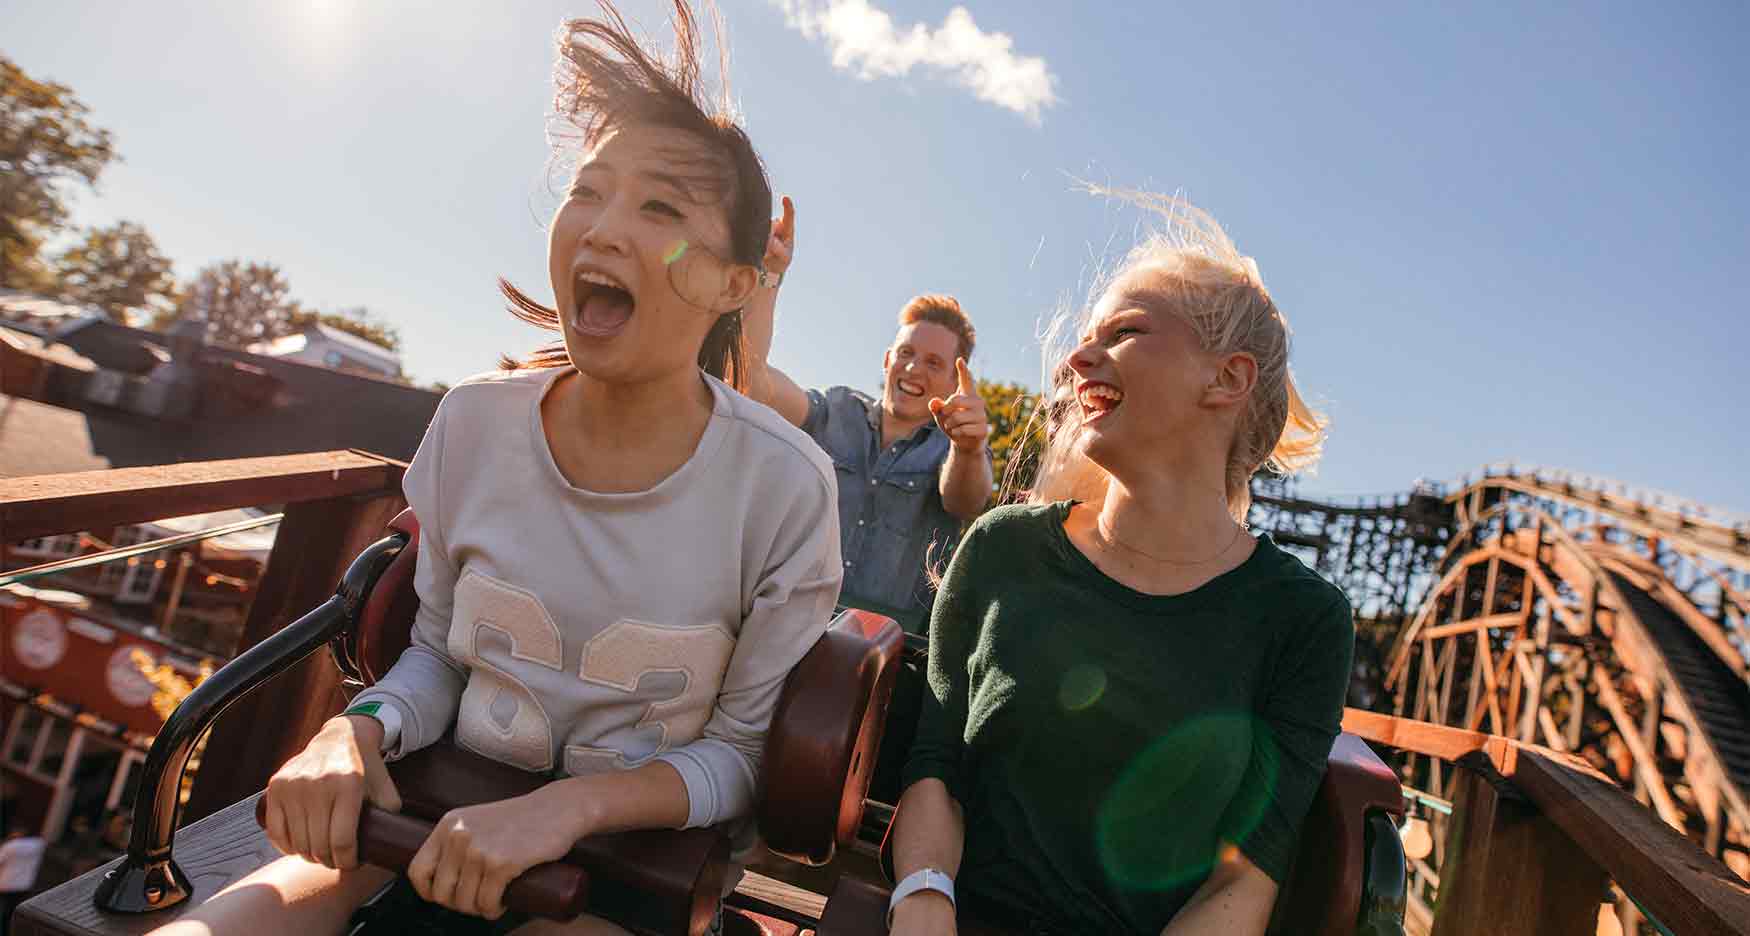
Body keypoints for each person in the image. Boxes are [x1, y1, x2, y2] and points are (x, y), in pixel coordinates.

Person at [149, 4, 840, 934]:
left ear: (735, 286)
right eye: (588, 191)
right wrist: (354, 731)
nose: (602, 229)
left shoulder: (785, 487)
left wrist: (567, 809)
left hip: (630, 875)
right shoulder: (474, 421)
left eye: (662, 210)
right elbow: (438, 656)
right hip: (429, 826)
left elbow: (737, 760)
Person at [887, 192, 1354, 935]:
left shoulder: (1304, 620)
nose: (1076, 359)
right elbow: (934, 767)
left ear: (1227, 380)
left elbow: (1245, 874)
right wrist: (923, 901)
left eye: (1126, 331)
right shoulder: (1004, 547)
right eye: (1085, 338)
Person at [740, 201, 993, 632]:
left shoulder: (952, 451)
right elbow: (752, 381)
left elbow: (965, 500)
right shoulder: (835, 410)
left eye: (934, 363)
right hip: (784, 625)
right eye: (907, 354)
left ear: (954, 380)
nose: (914, 369)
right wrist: (768, 276)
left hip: (887, 657)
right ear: (887, 360)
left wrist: (970, 448)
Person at [0, 828, 46, 929]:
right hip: (25, 885)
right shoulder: (37, 845)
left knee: (4, 909)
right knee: (12, 910)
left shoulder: (10, 846)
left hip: (6, 883)